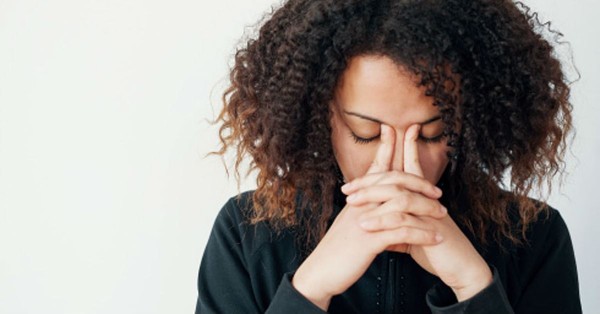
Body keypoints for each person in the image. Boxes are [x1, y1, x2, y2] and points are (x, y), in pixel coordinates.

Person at [196, 0, 582, 313]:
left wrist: (473, 286)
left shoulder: (533, 236)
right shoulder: (247, 233)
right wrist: (309, 290)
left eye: (432, 133)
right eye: (367, 134)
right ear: (321, 114)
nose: (399, 166)